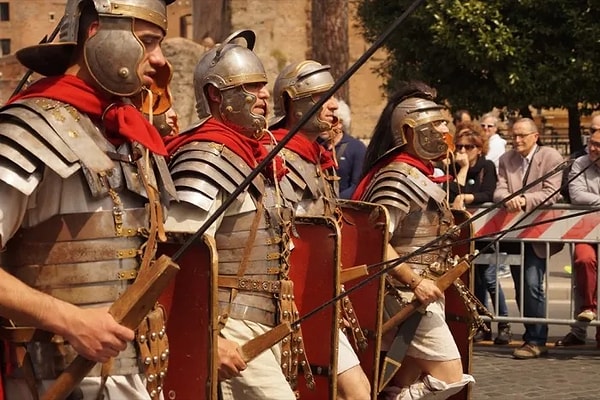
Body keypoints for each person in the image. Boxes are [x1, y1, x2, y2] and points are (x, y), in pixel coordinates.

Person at [0, 0, 176, 398]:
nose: (160, 61)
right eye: (147, 42)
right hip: (53, 380)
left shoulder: (127, 135)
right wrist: (70, 321)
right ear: (97, 33)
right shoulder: (29, 131)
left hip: (138, 374)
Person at [163, 32, 307, 399]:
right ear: (216, 95)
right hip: (229, 321)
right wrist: (211, 333)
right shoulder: (205, 157)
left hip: (267, 320)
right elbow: (177, 259)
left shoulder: (256, 154)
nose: (263, 94)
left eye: (263, 85)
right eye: (251, 85)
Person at [353, 81, 474, 400]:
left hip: (426, 291)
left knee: (401, 376)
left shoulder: (424, 174)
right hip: (403, 292)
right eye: (434, 124)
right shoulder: (397, 176)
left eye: (443, 122)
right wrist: (415, 280)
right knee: (450, 375)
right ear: (409, 131)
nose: (444, 130)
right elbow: (376, 241)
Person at [269, 60, 371, 400]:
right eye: (323, 96)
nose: (333, 105)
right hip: (284, 302)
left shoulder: (316, 157)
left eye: (334, 97)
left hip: (320, 296)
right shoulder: (278, 156)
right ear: (293, 102)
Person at [493, 117, 564, 359]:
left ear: (536, 136)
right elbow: (499, 189)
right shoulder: (505, 159)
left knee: (532, 284)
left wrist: (523, 200)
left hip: (538, 233)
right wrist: (507, 198)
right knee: (521, 287)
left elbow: (551, 192)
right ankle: (532, 334)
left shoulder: (551, 157)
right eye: (514, 135)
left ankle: (536, 339)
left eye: (522, 135)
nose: (517, 140)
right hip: (514, 234)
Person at [446, 122, 511, 345]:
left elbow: (488, 193)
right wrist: (462, 170)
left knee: (490, 278)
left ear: (479, 148)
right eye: (459, 146)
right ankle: (482, 324)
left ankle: (504, 322)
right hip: (463, 234)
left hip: (485, 231)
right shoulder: (453, 167)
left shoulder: (486, 167)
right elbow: (451, 191)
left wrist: (467, 198)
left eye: (468, 147)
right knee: (474, 281)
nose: (463, 151)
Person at [555, 125, 600, 347]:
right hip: (586, 230)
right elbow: (577, 195)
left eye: (598, 145)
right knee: (583, 260)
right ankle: (588, 309)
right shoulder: (580, 164)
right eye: (591, 143)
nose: (593, 148)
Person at [320, 99, 367, 199]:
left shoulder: (357, 148)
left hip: (344, 208)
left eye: (330, 121)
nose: (324, 126)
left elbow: (357, 185)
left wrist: (335, 202)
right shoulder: (317, 145)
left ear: (340, 123)